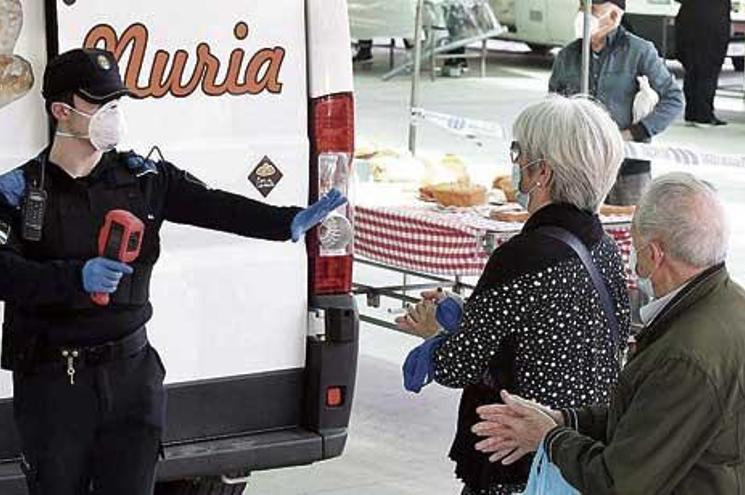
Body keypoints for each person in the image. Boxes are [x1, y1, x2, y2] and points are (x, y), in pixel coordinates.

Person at [0, 48, 346, 495]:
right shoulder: (20, 191)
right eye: (99, 103)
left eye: (116, 103)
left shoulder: (143, 179)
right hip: (55, 384)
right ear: (61, 111)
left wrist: (285, 221)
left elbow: (216, 206)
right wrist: (72, 278)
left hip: (131, 377)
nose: (112, 113)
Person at [473, 172, 745, 495]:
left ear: (654, 254)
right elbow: (648, 417)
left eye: (636, 247)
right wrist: (563, 419)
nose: (633, 260)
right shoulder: (736, 311)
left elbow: (620, 482)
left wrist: (548, 438)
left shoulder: (689, 355)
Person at [397, 95, 631, 495]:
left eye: (518, 153)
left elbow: (459, 365)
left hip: (518, 456)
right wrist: (461, 312)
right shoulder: (604, 246)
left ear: (540, 172)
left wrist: (434, 333)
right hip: (583, 448)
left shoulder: (523, 256)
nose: (514, 163)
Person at [548, 0, 683, 206]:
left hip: (628, 169)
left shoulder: (639, 51)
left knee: (629, 231)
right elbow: (553, 105)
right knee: (581, 232)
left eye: (592, 11)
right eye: (581, 8)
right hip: (579, 169)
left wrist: (633, 133)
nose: (583, 15)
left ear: (613, 17)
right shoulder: (566, 56)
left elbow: (673, 99)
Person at [675, 0, 731, 127]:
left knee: (692, 68)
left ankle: (692, 112)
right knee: (708, 69)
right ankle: (703, 114)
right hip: (712, 22)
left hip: (688, 20)